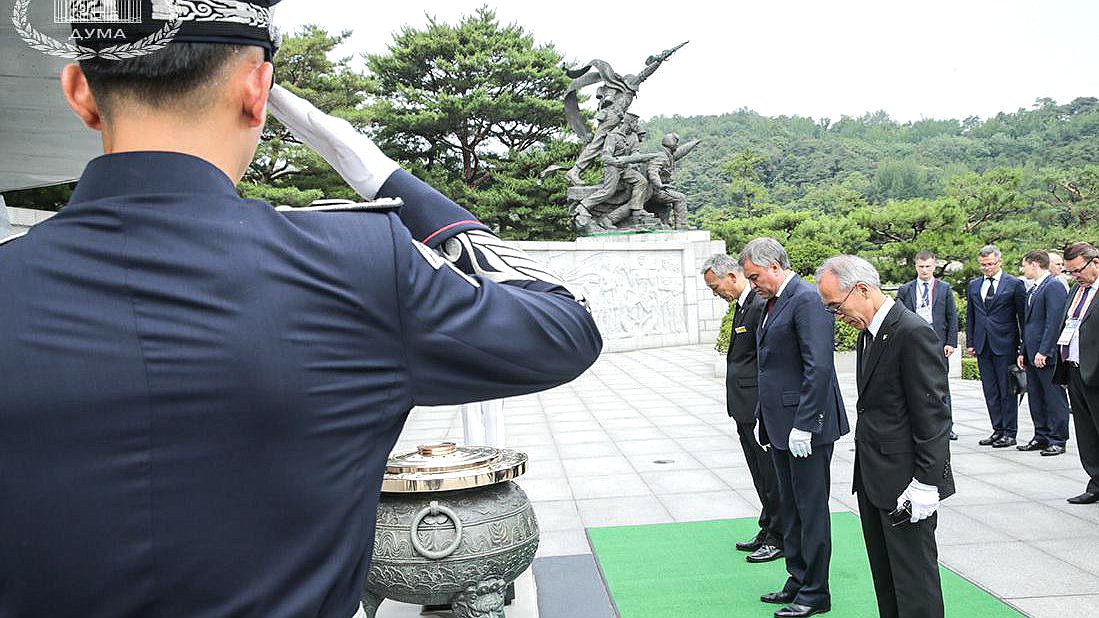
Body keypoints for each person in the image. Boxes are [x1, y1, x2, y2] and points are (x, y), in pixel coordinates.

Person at [0, 14, 602, 618]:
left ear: (79, 90)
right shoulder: (358, 267)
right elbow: (566, 327)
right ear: (257, 91)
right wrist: (392, 182)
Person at [815, 255, 953, 618]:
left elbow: (933, 415)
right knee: (886, 576)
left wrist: (927, 482)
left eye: (835, 306)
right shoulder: (869, 333)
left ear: (862, 289)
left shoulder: (912, 331)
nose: (835, 315)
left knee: (914, 579)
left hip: (906, 481)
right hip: (875, 476)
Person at [740, 237, 849, 618]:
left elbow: (818, 366)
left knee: (811, 510)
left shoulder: (806, 298)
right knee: (791, 507)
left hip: (807, 427)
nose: (752, 284)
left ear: (774, 266)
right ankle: (798, 578)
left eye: (755, 276)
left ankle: (816, 592)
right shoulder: (770, 302)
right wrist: (763, 418)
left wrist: (804, 424)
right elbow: (770, 367)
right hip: (781, 425)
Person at [702, 253, 784, 564]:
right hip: (742, 406)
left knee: (770, 475)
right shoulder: (741, 306)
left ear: (732, 276)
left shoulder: (760, 305)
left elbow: (766, 360)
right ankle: (767, 527)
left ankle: (779, 536)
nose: (715, 292)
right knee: (759, 475)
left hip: (757, 407)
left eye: (715, 286)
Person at [966, 244, 1027, 448]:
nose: (987, 268)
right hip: (983, 344)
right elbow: (971, 315)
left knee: (1007, 390)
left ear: (999, 262)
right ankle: (997, 429)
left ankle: (1010, 432)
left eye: (991, 264)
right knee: (990, 390)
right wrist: (971, 342)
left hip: (1006, 344)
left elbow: (1022, 317)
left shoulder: (1014, 284)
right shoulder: (974, 285)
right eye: (983, 265)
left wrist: (1023, 347)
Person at [896, 251, 959, 440]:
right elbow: (898, 315)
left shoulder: (944, 288)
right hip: (913, 341)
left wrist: (951, 342)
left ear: (934, 266)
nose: (924, 270)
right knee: (913, 382)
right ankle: (918, 423)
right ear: (915, 266)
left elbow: (951, 316)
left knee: (941, 385)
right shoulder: (906, 289)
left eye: (928, 266)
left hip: (937, 341)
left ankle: (947, 425)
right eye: (921, 266)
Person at [1056, 243, 1099, 504]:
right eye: (1070, 272)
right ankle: (1095, 483)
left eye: (1078, 270)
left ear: (1095, 263)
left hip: (1097, 372)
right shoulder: (1075, 291)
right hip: (1075, 371)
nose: (1075, 276)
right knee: (1086, 432)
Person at [1017, 251, 1070, 456]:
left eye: (1025, 265)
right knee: (1036, 398)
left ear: (1035, 264)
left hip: (1045, 355)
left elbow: (1054, 322)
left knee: (1053, 397)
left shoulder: (1053, 286)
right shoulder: (1033, 289)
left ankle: (1058, 438)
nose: (1024, 270)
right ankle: (1041, 435)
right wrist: (1023, 351)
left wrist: (1044, 351)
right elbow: (1029, 324)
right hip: (1031, 353)